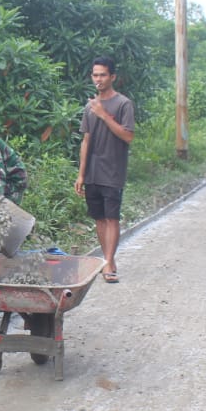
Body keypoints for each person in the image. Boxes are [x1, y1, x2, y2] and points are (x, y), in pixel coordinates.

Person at [73, 56, 135, 283]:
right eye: (95, 75)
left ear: (112, 77)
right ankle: (108, 259)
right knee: (99, 218)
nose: (98, 79)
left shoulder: (123, 104)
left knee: (112, 218)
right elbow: (86, 140)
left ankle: (109, 262)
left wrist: (103, 114)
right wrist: (81, 174)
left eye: (103, 75)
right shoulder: (90, 107)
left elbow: (127, 136)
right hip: (92, 172)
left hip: (113, 170)